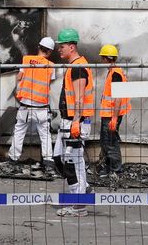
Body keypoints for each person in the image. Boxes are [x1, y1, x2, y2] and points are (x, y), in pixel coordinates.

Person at [52, 28, 93, 217]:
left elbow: (79, 98)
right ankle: (82, 189)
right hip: (68, 121)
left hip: (75, 121)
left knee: (72, 163)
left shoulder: (78, 68)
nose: (59, 50)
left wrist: (76, 121)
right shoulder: (74, 66)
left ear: (71, 46)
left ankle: (78, 205)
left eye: (62, 46)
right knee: (60, 158)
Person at [5, 36, 56, 174]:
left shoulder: (26, 60)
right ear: (50, 52)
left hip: (25, 105)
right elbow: (49, 83)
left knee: (19, 132)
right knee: (45, 135)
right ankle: (48, 162)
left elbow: (19, 77)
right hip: (41, 107)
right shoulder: (51, 66)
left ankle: (13, 159)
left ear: (38, 47)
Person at [97, 44, 131, 175]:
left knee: (111, 143)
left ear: (105, 59)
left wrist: (114, 119)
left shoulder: (115, 73)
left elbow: (117, 98)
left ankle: (116, 170)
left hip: (112, 115)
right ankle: (108, 168)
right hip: (109, 114)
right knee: (106, 142)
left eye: (102, 58)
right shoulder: (114, 72)